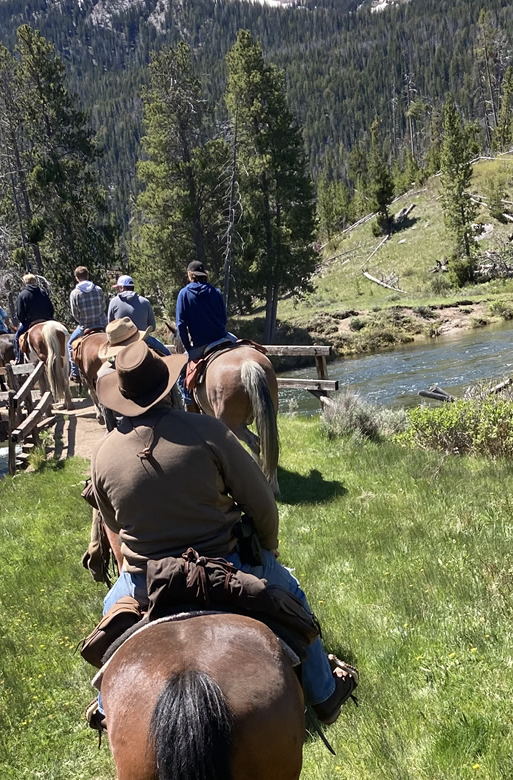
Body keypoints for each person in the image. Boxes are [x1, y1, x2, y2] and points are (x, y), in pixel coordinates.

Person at [88, 343, 357, 728]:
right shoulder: (208, 431)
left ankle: (104, 708)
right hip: (223, 566)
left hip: (145, 581)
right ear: (167, 387)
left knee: (110, 620)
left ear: (124, 397)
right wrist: (269, 547)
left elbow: (113, 522)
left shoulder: (102, 453)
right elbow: (261, 503)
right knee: (293, 597)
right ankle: (325, 695)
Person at [174, 261, 236, 407]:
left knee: (181, 374)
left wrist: (189, 348)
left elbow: (181, 325)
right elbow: (224, 319)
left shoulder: (184, 294)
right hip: (223, 338)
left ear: (191, 275)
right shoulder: (216, 291)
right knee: (241, 346)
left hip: (202, 344)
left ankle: (188, 403)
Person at [106, 275, 171, 356]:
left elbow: (110, 325)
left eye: (118, 288)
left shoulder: (113, 302)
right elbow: (153, 327)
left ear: (122, 288)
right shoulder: (145, 302)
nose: (118, 290)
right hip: (143, 339)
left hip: (121, 342)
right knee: (167, 354)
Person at [68, 266, 107, 379]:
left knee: (70, 345)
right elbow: (103, 306)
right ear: (87, 275)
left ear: (77, 278)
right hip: (102, 324)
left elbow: (75, 313)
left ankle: (75, 372)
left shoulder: (75, 293)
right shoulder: (98, 289)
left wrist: (82, 320)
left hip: (85, 326)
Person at [14, 274, 55, 362]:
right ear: (35, 281)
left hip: (30, 322)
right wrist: (49, 317)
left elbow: (20, 313)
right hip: (46, 319)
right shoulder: (42, 291)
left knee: (17, 336)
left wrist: (23, 321)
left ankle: (19, 358)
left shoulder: (22, 294)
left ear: (25, 282)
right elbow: (51, 308)